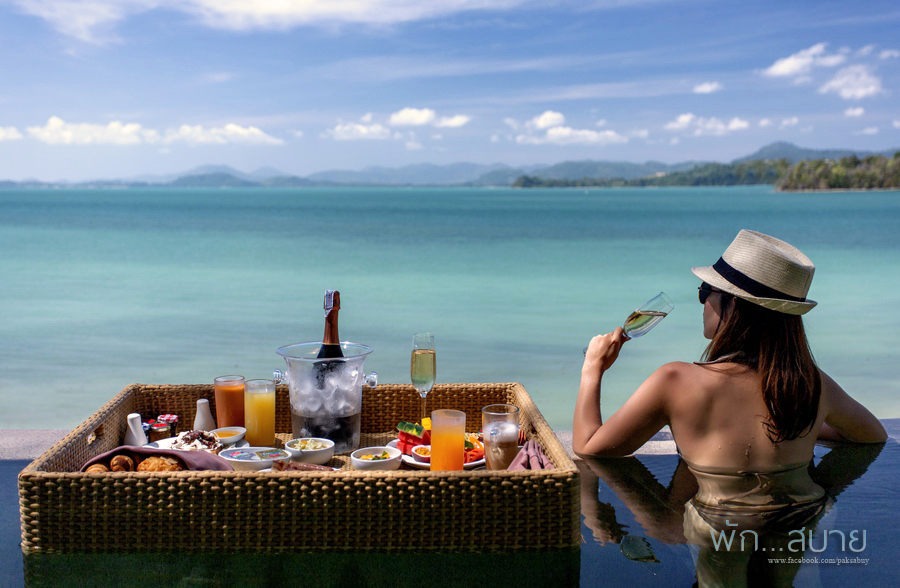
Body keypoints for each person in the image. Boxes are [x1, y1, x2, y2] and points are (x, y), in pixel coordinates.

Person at [573, 229, 887, 586]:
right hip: (804, 517)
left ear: (732, 305)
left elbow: (590, 447)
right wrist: (805, 426)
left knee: (667, 529)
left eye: (705, 291)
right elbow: (872, 436)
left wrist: (592, 369)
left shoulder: (675, 380)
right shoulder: (811, 383)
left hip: (718, 524)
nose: (701, 302)